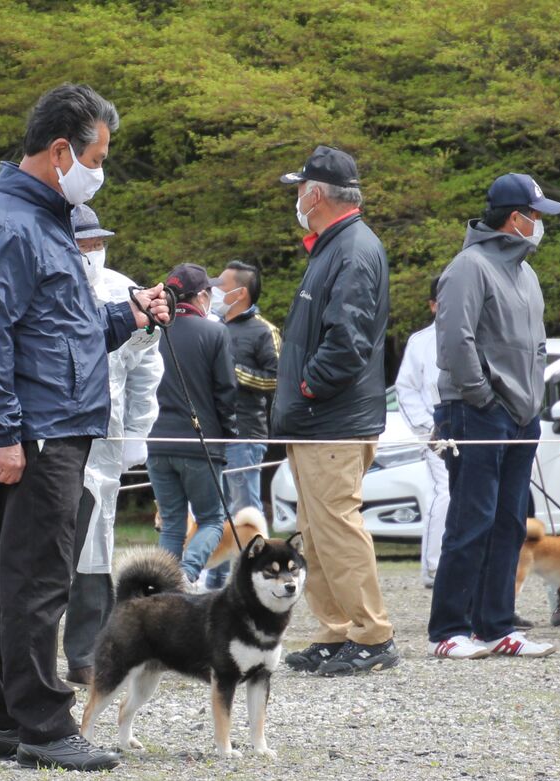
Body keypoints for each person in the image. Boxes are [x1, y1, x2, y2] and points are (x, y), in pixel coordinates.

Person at [0, 83, 168, 771]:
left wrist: (126, 314)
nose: (101, 169)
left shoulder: (44, 221)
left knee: (19, 578)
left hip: (51, 421)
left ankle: (1, 717)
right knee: (40, 578)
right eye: (98, 156)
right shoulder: (12, 224)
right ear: (61, 150)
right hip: (37, 429)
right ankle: (44, 722)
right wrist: (2, 433)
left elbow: (58, 332)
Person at [424, 174, 560, 660]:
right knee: (472, 519)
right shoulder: (469, 266)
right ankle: (448, 629)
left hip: (522, 414)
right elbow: (455, 341)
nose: (540, 223)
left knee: (509, 521)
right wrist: (482, 397)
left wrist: (532, 403)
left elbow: (539, 344)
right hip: (476, 411)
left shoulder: (525, 272)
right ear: (514, 217)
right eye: (536, 214)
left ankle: (496, 624)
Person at [273, 145, 399, 676]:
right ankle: (338, 629)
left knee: (337, 526)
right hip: (318, 418)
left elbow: (346, 342)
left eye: (300, 188)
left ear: (317, 193)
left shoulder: (351, 250)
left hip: (333, 417)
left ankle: (372, 634)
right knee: (316, 527)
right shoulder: (334, 246)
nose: (297, 197)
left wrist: (306, 386)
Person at [63, 204, 163, 685]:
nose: (92, 253)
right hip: (55, 437)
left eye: (98, 244)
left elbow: (145, 372)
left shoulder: (126, 291)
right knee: (46, 549)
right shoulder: (48, 285)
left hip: (108, 440)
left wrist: (136, 436)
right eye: (83, 244)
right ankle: (28, 652)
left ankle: (88, 651)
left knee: (96, 549)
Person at [146, 262, 237, 588]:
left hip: (155, 442)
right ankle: (186, 574)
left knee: (171, 523)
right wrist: (231, 434)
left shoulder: (151, 332)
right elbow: (226, 391)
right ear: (201, 296)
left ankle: (163, 590)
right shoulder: (215, 332)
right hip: (201, 444)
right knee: (213, 519)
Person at [212, 260, 279, 515]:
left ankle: (252, 555)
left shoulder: (264, 331)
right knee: (216, 512)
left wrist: (233, 371)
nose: (214, 290)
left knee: (244, 509)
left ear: (240, 292)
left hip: (246, 435)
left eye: (220, 285)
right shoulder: (211, 325)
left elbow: (276, 381)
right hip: (211, 433)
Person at [394, 275, 449, 590]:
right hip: (435, 431)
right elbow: (407, 389)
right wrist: (427, 427)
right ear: (432, 305)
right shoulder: (420, 342)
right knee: (446, 492)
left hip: (472, 428)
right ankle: (434, 566)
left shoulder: (477, 333)